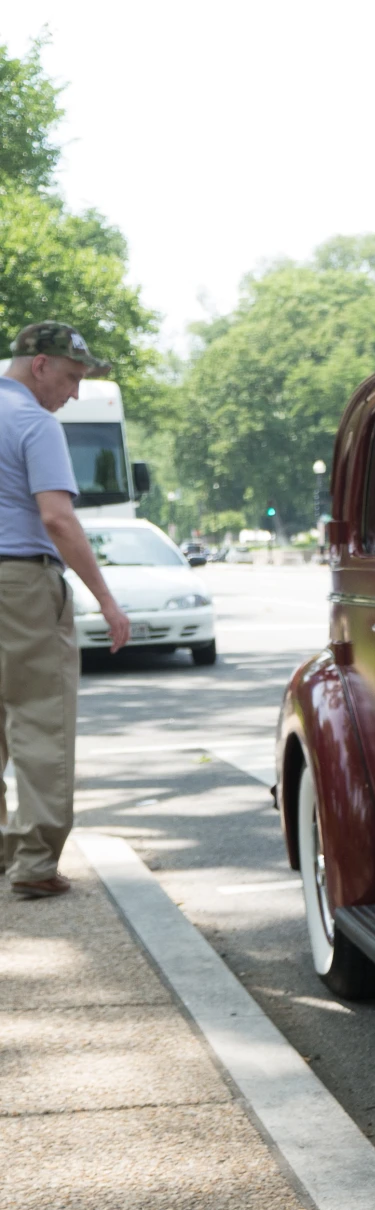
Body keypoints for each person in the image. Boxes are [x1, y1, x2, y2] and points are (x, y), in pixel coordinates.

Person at [1, 322, 132, 899]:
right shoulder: (34, 423)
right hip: (20, 584)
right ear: (41, 366)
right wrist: (106, 599)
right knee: (39, 718)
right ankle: (34, 864)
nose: (74, 393)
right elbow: (57, 518)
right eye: (73, 377)